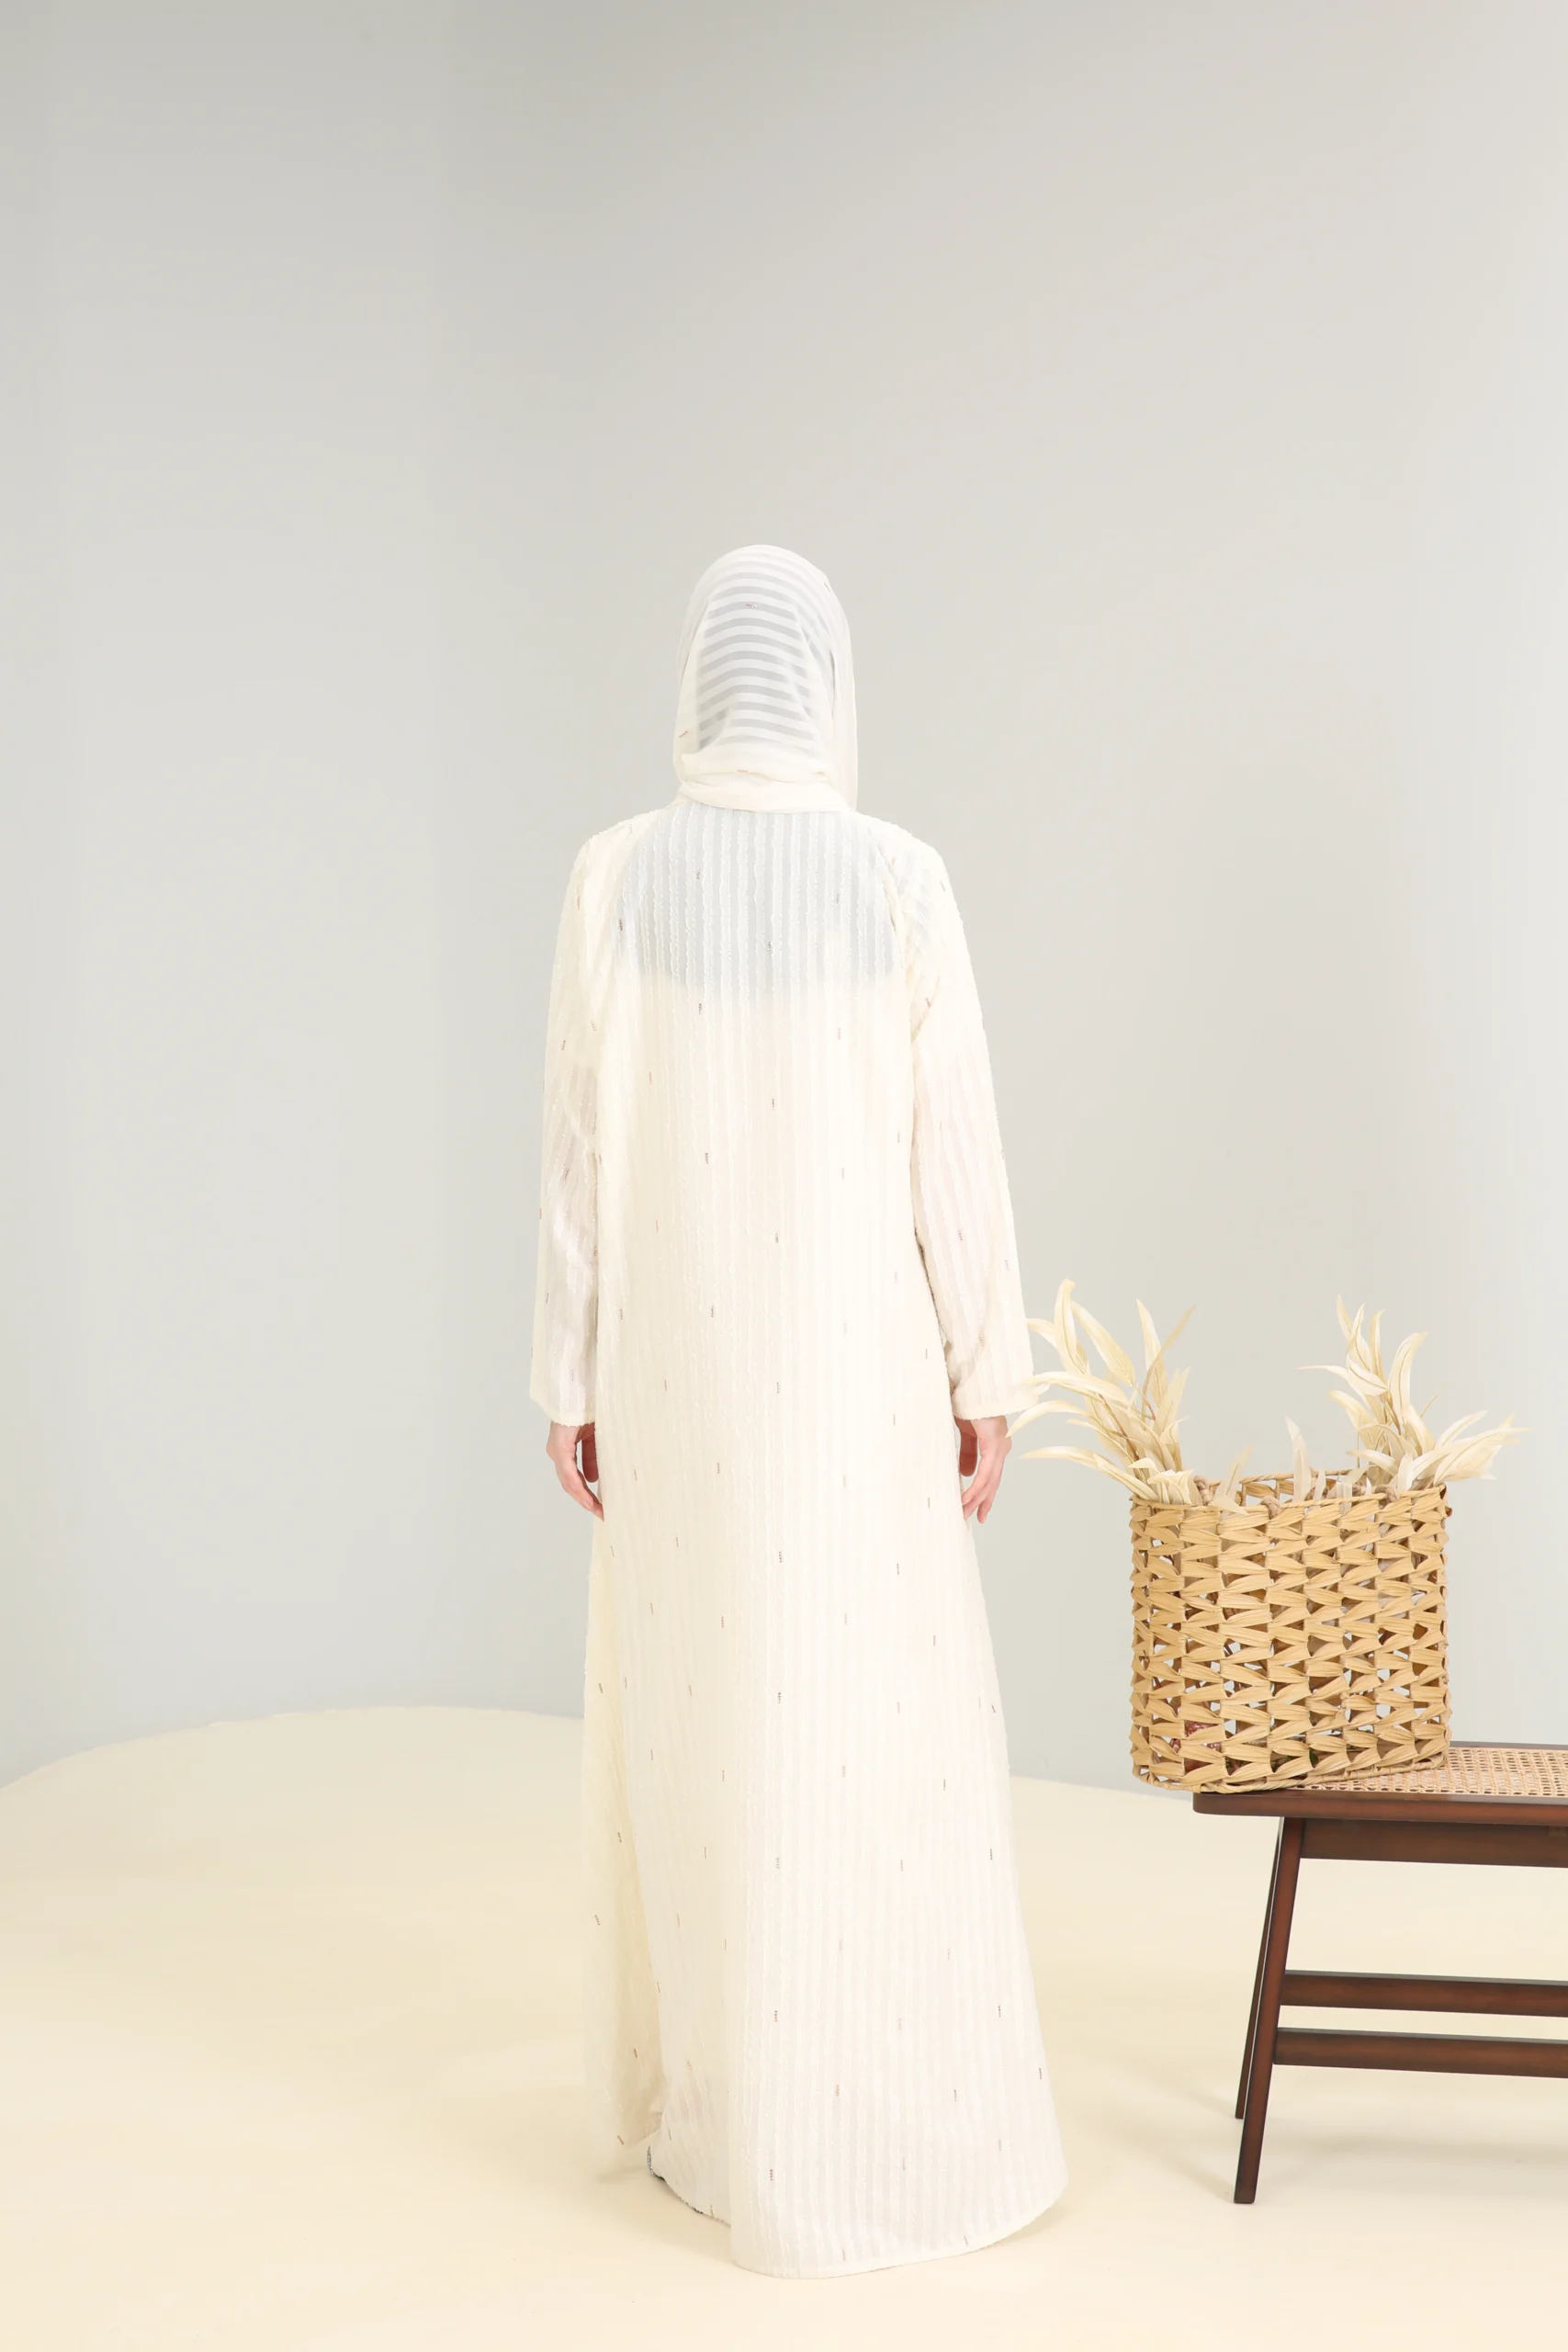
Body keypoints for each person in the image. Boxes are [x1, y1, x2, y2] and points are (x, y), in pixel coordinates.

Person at [531, 545, 1066, 2278]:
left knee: (702, 1726)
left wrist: (569, 1375)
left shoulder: (615, 876)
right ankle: (889, 2122)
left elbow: (578, 1150)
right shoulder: (898, 878)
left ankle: (725, 2125)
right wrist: (984, 1372)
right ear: (825, 690)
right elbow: (952, 1145)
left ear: (699, 685)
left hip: (679, 1382)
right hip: (857, 1380)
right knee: (872, 1724)